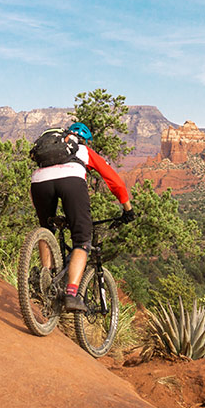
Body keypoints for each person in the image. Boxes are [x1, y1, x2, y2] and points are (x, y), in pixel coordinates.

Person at [30, 122, 134, 312]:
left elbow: (46, 177)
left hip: (38, 181)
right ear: (85, 140)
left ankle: (44, 278)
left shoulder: (53, 146)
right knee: (82, 241)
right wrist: (128, 209)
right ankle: (71, 295)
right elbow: (114, 181)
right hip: (71, 180)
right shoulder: (84, 150)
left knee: (46, 229)